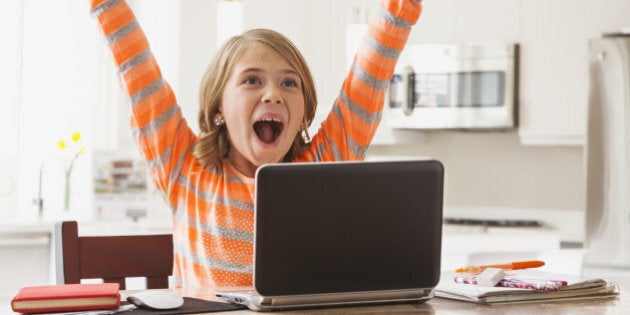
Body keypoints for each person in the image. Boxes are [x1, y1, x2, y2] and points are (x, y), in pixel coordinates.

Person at [88, 0, 423, 289]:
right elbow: (136, 69)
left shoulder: (325, 164)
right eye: (252, 80)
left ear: (303, 113)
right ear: (218, 107)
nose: (273, 94)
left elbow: (372, 70)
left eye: (289, 82)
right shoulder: (184, 167)